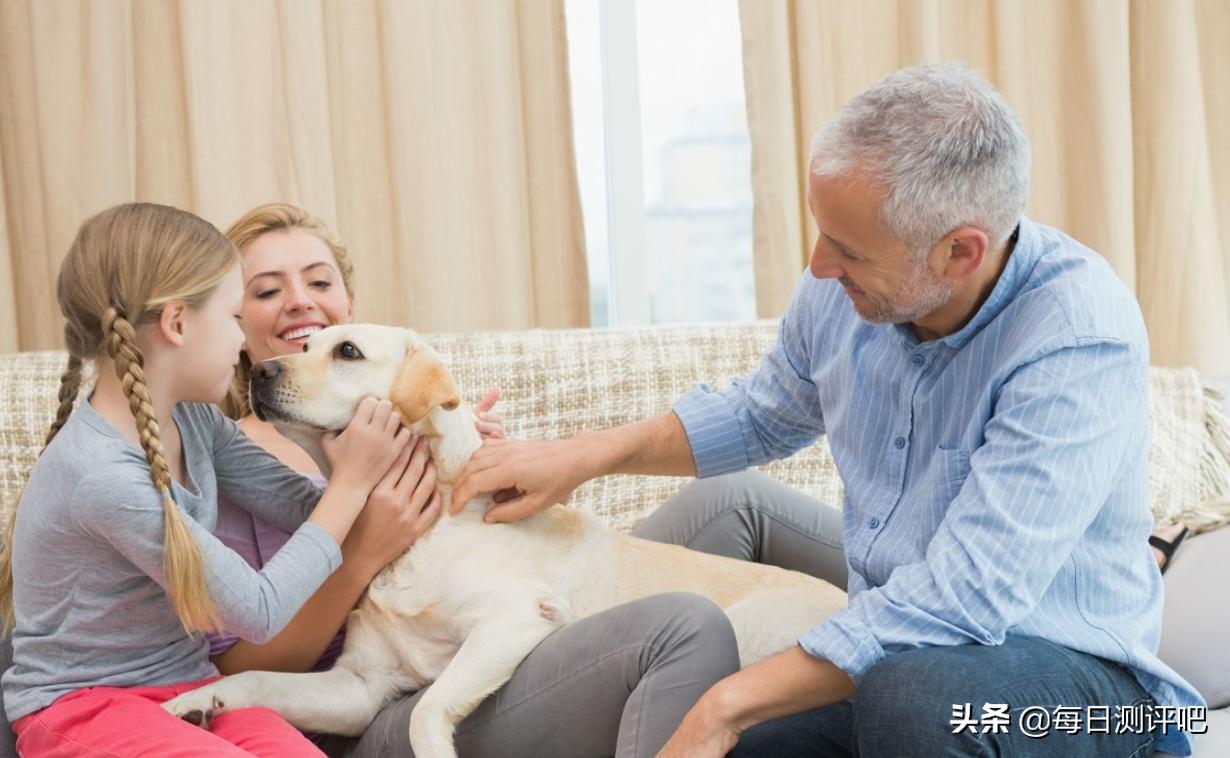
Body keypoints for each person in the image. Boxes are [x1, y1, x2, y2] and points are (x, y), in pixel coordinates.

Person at [450, 63, 1206, 757]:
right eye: (823, 233)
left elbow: (963, 599)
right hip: (910, 669)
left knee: (912, 697)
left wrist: (725, 704)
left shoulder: (1075, 336)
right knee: (764, 744)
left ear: (960, 253)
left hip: (1097, 702)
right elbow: (762, 414)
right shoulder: (847, 291)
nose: (818, 265)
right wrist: (587, 455)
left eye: (849, 249)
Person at [209, 202, 741, 758]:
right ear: (233, 321)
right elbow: (236, 666)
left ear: (349, 305)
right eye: (267, 290)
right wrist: (364, 549)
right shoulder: (230, 466)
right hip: (380, 708)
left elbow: (493, 559)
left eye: (319, 282)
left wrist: (465, 449)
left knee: (731, 501)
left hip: (490, 637)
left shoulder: (406, 409)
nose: (299, 300)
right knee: (685, 624)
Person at [0, 202, 411, 756]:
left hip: (187, 687)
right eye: (235, 318)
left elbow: (301, 507)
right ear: (177, 324)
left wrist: (418, 442)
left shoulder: (195, 422)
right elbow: (259, 610)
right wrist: (352, 484)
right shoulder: (101, 475)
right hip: (84, 705)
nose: (243, 343)